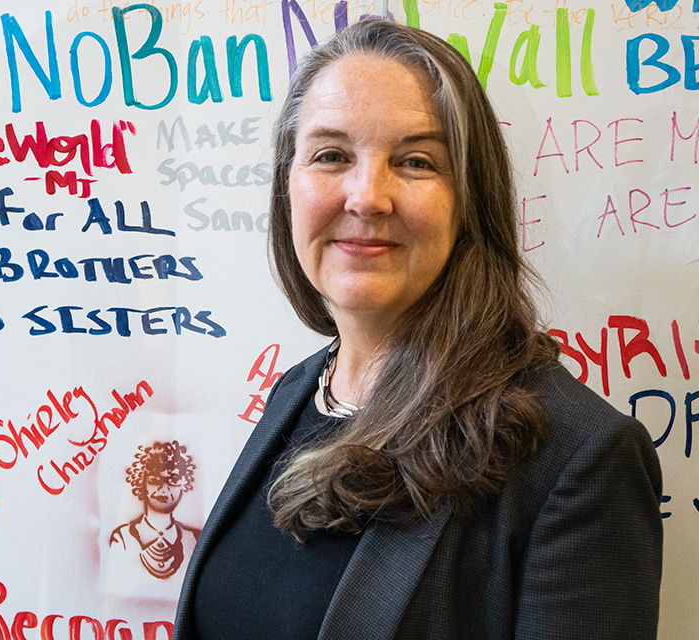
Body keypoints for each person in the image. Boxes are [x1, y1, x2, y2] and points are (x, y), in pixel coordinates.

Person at [173, 19, 662, 640]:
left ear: (470, 200)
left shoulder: (576, 458)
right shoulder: (297, 393)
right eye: (331, 155)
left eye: (415, 161)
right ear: (286, 188)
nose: (366, 197)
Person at [110, 440, 200, 580]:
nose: (163, 489)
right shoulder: (122, 538)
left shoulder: (194, 539)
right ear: (141, 483)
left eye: (173, 480)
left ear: (183, 485)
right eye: (155, 480)